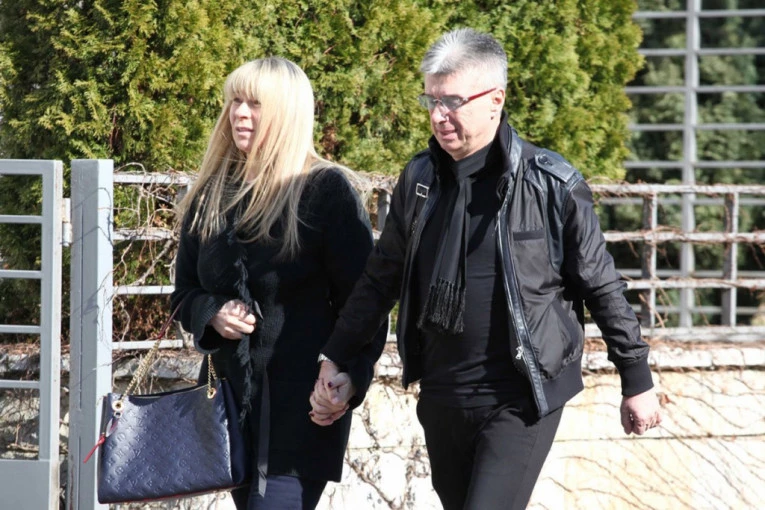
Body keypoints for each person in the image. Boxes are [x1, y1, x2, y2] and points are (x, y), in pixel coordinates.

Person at [310, 28, 662, 510]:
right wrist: (336, 357)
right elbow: (380, 279)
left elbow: (600, 283)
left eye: (452, 101)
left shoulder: (550, 182)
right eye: (431, 100)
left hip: (520, 396)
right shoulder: (420, 179)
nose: (438, 115)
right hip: (442, 395)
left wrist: (636, 377)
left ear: (496, 99)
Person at [171, 57, 386, 510]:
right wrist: (212, 313)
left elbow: (365, 304)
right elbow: (183, 293)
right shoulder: (211, 193)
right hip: (229, 410)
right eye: (235, 101)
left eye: (255, 104)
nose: (239, 113)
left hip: (304, 410)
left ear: (286, 113)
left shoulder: (325, 191)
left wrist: (350, 375)